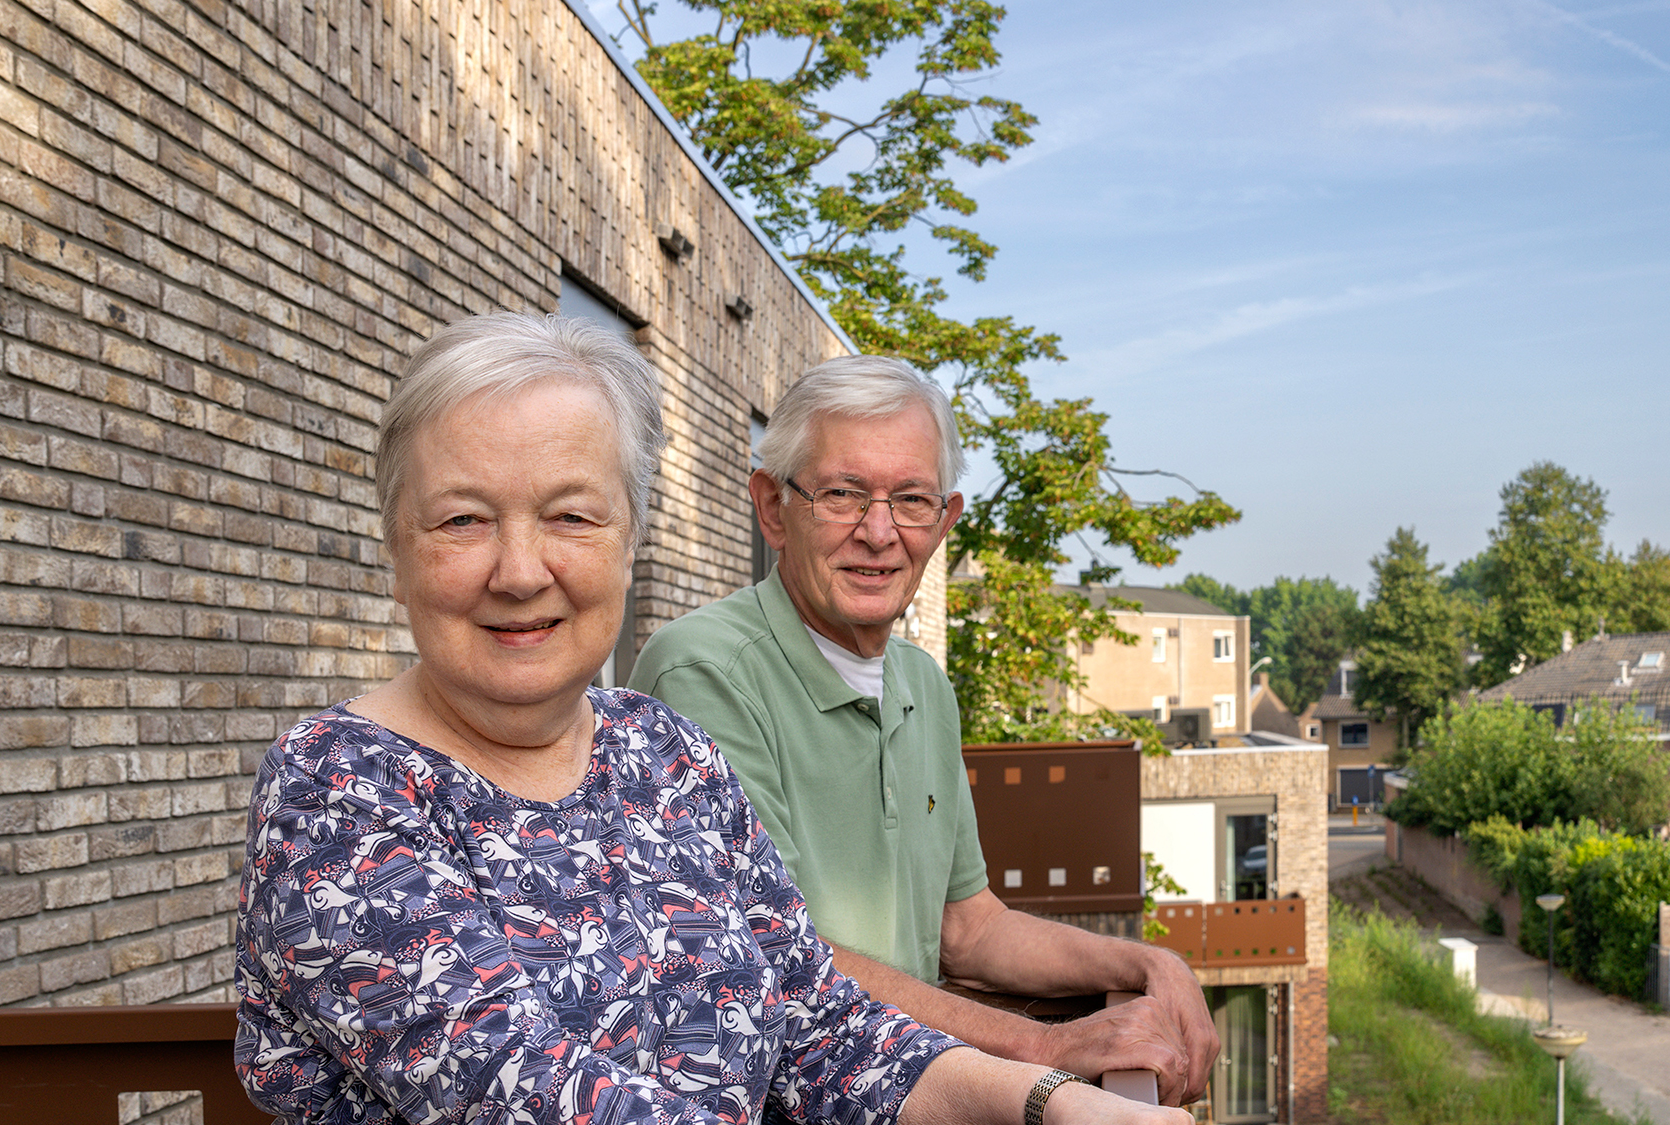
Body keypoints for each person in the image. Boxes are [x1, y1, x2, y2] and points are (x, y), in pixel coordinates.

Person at [233, 312, 1192, 1125]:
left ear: (630, 540)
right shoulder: (337, 787)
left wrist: (1054, 1099)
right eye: (463, 521)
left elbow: (821, 1022)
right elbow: (533, 1094)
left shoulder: (664, 753)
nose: (521, 571)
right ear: (397, 550)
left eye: (572, 516)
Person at [628, 356, 1221, 1107]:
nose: (879, 532)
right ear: (772, 508)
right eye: (843, 493)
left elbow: (967, 928)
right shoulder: (704, 673)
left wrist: (1146, 965)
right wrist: (1044, 1047)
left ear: (945, 522)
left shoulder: (924, 685)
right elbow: (779, 960)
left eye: (910, 499)